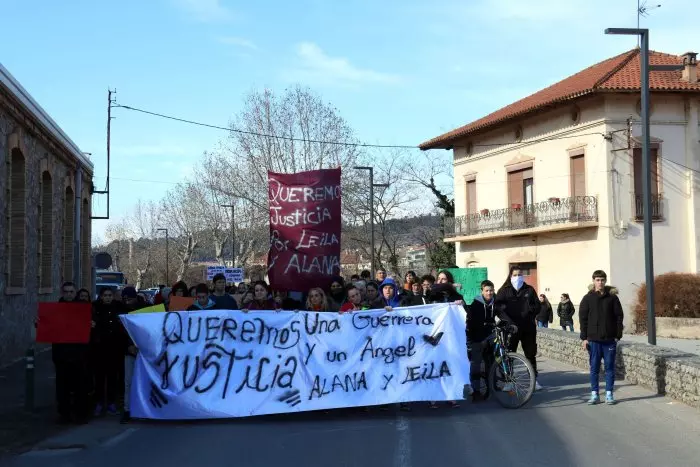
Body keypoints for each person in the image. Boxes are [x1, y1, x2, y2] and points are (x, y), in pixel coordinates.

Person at [43, 282, 91, 424]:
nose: (69, 294)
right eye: (66, 292)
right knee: (62, 387)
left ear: (75, 292)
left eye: (71, 292)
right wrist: (39, 323)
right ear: (62, 293)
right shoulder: (55, 309)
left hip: (79, 355)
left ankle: (80, 414)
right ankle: (64, 414)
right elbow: (47, 327)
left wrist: (91, 325)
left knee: (80, 386)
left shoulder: (83, 308)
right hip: (61, 355)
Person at [579, 270, 624, 406]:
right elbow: (583, 319)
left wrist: (617, 335)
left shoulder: (613, 298)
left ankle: (609, 394)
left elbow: (619, 317)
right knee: (594, 368)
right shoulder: (587, 298)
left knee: (610, 368)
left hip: (609, 340)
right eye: (597, 280)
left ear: (605, 281)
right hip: (593, 340)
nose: (600, 282)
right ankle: (595, 394)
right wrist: (584, 338)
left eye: (602, 280)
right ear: (593, 281)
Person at [495, 266, 542, 390]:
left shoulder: (529, 290)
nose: (517, 277)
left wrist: (530, 312)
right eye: (515, 275)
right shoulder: (504, 290)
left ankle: (533, 380)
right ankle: (509, 381)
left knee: (530, 355)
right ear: (510, 276)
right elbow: (498, 308)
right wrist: (508, 322)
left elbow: (537, 306)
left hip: (528, 328)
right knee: (509, 355)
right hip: (511, 328)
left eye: (520, 274)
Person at [91, 287, 127, 416]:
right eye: (105, 295)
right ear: (101, 296)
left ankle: (111, 402)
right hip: (99, 348)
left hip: (114, 348)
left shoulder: (118, 307)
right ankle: (99, 402)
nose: (107, 297)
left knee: (113, 377)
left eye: (110, 295)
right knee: (99, 378)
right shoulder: (95, 308)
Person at [467, 280, 501, 402]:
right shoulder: (475, 304)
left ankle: (492, 385)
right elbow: (470, 322)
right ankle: (476, 391)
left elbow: (502, 314)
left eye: (491, 290)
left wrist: (509, 323)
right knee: (476, 364)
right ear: (482, 291)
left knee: (492, 361)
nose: (489, 293)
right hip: (477, 337)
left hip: (490, 335)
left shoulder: (495, 303)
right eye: (486, 290)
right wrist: (474, 337)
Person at [120, 286, 144, 423]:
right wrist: (128, 346)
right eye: (125, 299)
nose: (127, 301)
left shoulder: (145, 309)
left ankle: (145, 408)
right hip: (128, 351)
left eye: (129, 298)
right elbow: (120, 334)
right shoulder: (122, 311)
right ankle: (127, 410)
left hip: (144, 351)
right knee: (128, 382)